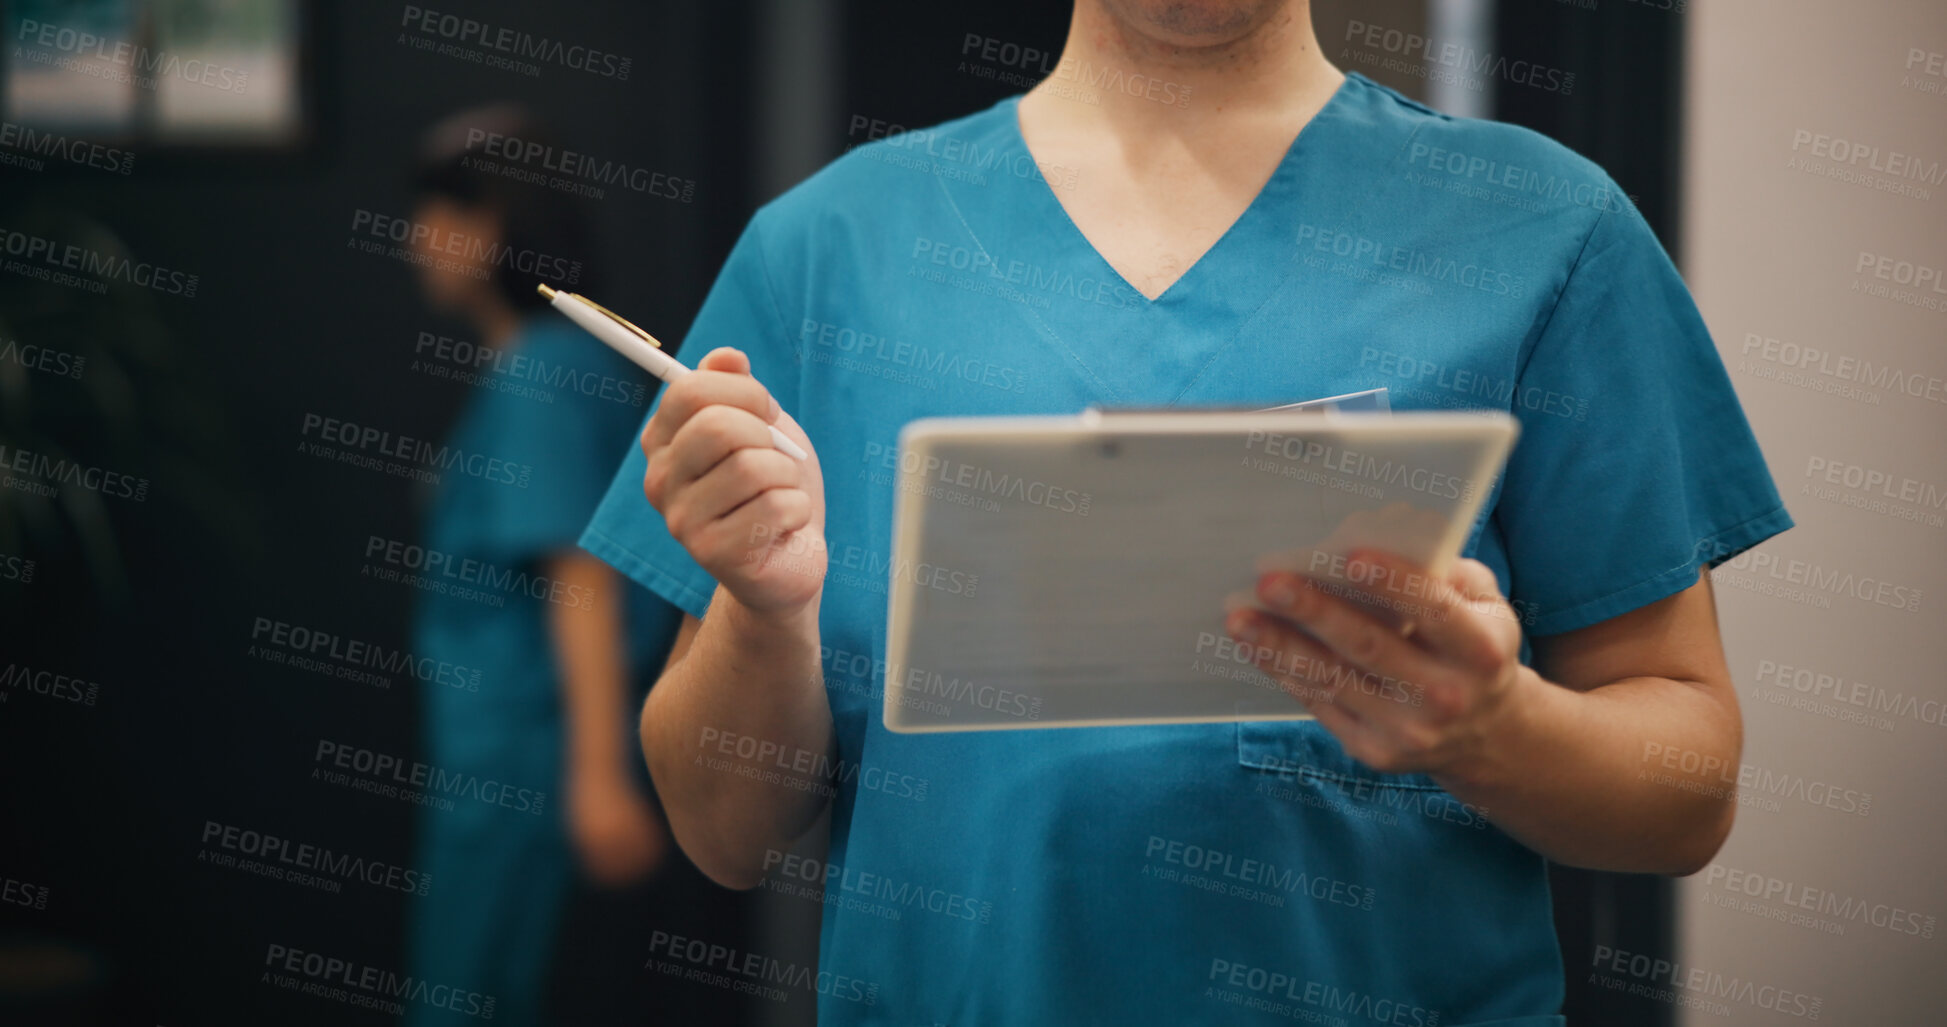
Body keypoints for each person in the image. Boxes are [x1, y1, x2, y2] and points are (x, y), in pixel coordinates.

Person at [580, 2, 1792, 1023]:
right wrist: (763, 608)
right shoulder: (826, 252)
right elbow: (721, 829)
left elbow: (1691, 785)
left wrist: (1495, 729)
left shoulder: (1544, 231)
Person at [399, 107, 690, 1026]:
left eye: (445, 214)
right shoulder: (559, 365)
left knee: (474, 995)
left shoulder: (542, 376)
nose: (417, 240)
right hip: (509, 753)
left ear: (500, 229)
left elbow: (582, 579)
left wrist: (596, 774)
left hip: (525, 760)